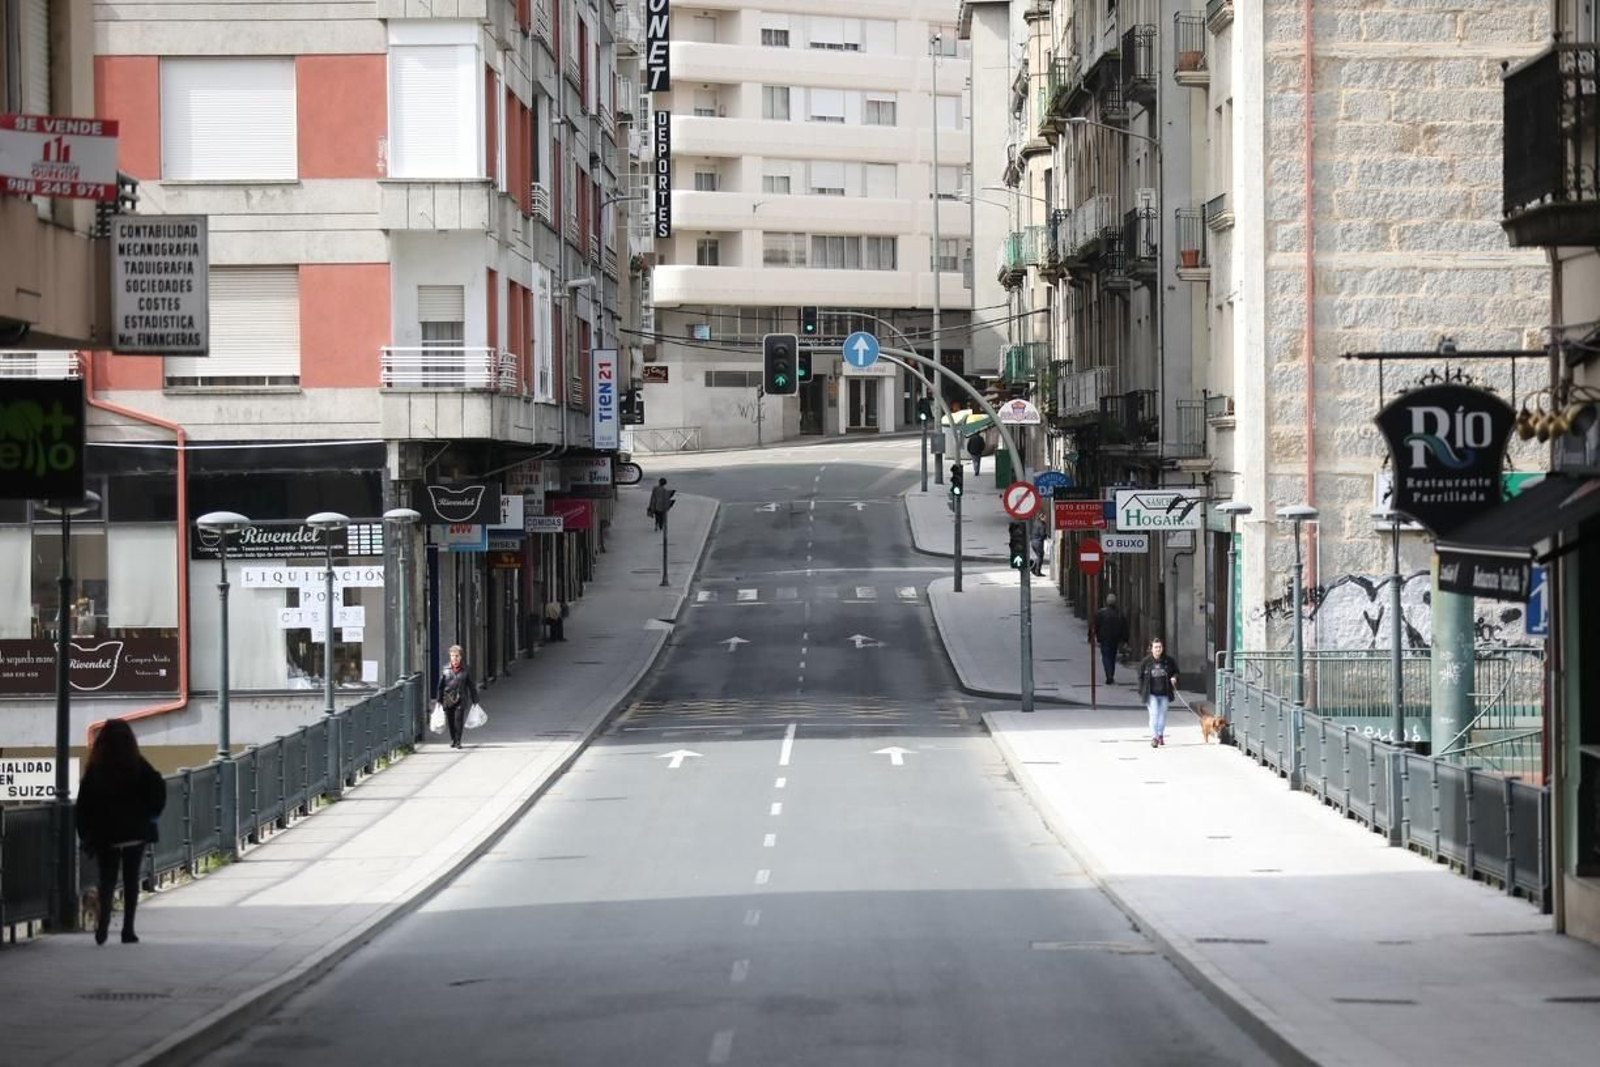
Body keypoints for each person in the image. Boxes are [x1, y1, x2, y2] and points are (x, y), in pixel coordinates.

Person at [75, 718, 166, 945]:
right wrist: (150, 813)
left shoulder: (96, 769)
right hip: (135, 831)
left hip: (106, 834)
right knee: (131, 879)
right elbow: (157, 786)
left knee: (106, 881)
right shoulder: (136, 763)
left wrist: (85, 834)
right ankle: (128, 930)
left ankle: (103, 925)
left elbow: (83, 804)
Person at [1138, 637, 1181, 748]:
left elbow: (1176, 672)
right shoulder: (1146, 662)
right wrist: (1142, 691)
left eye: (1160, 647)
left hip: (1164, 693)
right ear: (1151, 649)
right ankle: (1154, 737)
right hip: (1151, 693)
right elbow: (1140, 677)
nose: (1158, 649)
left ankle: (1160, 734)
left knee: (1162, 715)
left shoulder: (1169, 660)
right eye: (1156, 647)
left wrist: (1174, 678)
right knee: (1154, 714)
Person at [436, 644, 479, 750]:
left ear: (460, 657)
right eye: (452, 656)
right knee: (450, 720)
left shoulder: (466, 669)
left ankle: (458, 741)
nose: (454, 658)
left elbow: (471, 685)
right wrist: (439, 700)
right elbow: (440, 686)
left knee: (458, 719)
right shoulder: (445, 669)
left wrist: (475, 700)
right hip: (448, 698)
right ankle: (453, 739)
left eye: (456, 656)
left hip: (461, 698)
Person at [1094, 594, 1126, 684]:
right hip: (1115, 639)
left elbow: (1096, 626)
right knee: (1112, 656)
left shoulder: (1101, 613)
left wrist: (1096, 636)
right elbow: (1124, 627)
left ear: (1106, 602)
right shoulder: (1119, 613)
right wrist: (1125, 639)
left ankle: (1109, 675)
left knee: (1106, 657)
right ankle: (1111, 674)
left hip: (1104, 639)